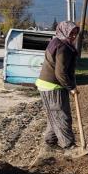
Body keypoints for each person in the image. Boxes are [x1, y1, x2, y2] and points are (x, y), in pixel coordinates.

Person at [35, 20, 80, 152]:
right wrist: (71, 88)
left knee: (53, 115)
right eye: (71, 33)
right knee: (61, 116)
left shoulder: (55, 41)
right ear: (64, 31)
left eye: (75, 33)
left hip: (44, 85)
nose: (73, 36)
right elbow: (60, 72)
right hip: (53, 86)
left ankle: (50, 142)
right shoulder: (63, 47)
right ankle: (69, 146)